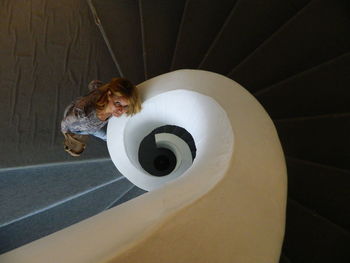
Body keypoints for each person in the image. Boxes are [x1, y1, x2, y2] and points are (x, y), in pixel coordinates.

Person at [61, 78, 141, 155]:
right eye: (118, 103)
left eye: (125, 106)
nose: (120, 110)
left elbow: (94, 83)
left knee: (107, 137)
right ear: (109, 95)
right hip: (81, 126)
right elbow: (65, 121)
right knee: (106, 137)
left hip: (93, 123)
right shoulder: (82, 116)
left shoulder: (108, 94)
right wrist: (64, 132)